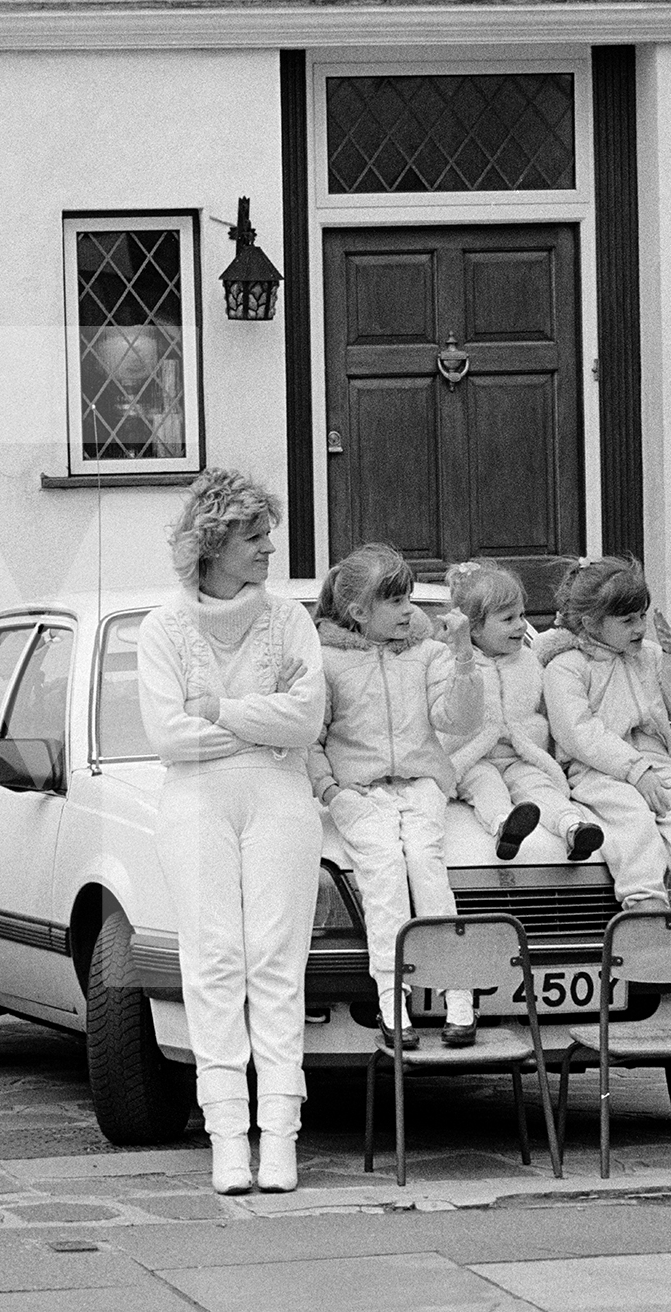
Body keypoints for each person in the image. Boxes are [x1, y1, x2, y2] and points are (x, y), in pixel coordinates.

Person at [136, 468, 326, 1196]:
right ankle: (227, 1137)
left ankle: (280, 1137)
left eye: (268, 537)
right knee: (214, 961)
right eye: (255, 538)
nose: (269, 550)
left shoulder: (291, 622)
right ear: (212, 546)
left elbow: (305, 722)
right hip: (195, 806)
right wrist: (257, 720)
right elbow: (167, 735)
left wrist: (215, 706)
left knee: (276, 964)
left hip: (282, 799)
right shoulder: (164, 628)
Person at [308, 543, 483, 1052]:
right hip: (359, 795)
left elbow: (458, 719)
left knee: (428, 871)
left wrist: (463, 657)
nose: (410, 610)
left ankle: (459, 998)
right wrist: (331, 790)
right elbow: (310, 739)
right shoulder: (326, 663)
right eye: (396, 602)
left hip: (421, 785)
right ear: (360, 613)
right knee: (383, 877)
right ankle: (392, 1001)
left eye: (410, 599)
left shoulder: (429, 655)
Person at [538, 558, 671, 935]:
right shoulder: (567, 667)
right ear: (591, 623)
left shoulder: (650, 657)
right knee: (632, 823)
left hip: (657, 767)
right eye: (628, 620)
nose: (640, 627)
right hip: (598, 771)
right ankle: (647, 912)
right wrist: (634, 772)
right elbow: (578, 733)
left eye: (642, 616)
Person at [440, 560, 605, 862]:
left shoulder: (530, 661)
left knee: (539, 786)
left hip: (521, 754)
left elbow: (549, 709)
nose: (520, 625)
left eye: (522, 616)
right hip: (474, 758)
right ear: (473, 628)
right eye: (508, 619)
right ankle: (506, 827)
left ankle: (573, 828)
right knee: (485, 787)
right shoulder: (451, 664)